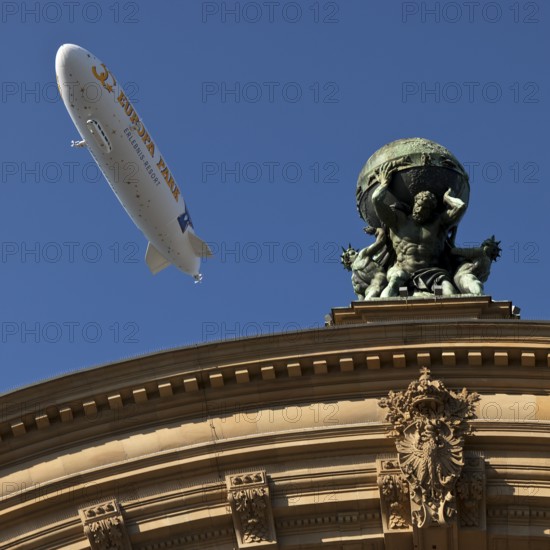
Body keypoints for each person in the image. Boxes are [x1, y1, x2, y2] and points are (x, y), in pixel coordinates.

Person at [372, 161, 466, 297]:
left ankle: (455, 314)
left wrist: (447, 198)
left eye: (426, 208)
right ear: (414, 203)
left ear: (431, 211)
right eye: (419, 205)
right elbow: (376, 200)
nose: (420, 209)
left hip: (432, 272)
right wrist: (384, 184)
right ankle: (379, 312)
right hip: (402, 269)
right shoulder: (399, 221)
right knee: (394, 281)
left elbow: (460, 207)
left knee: (448, 289)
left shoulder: (437, 224)